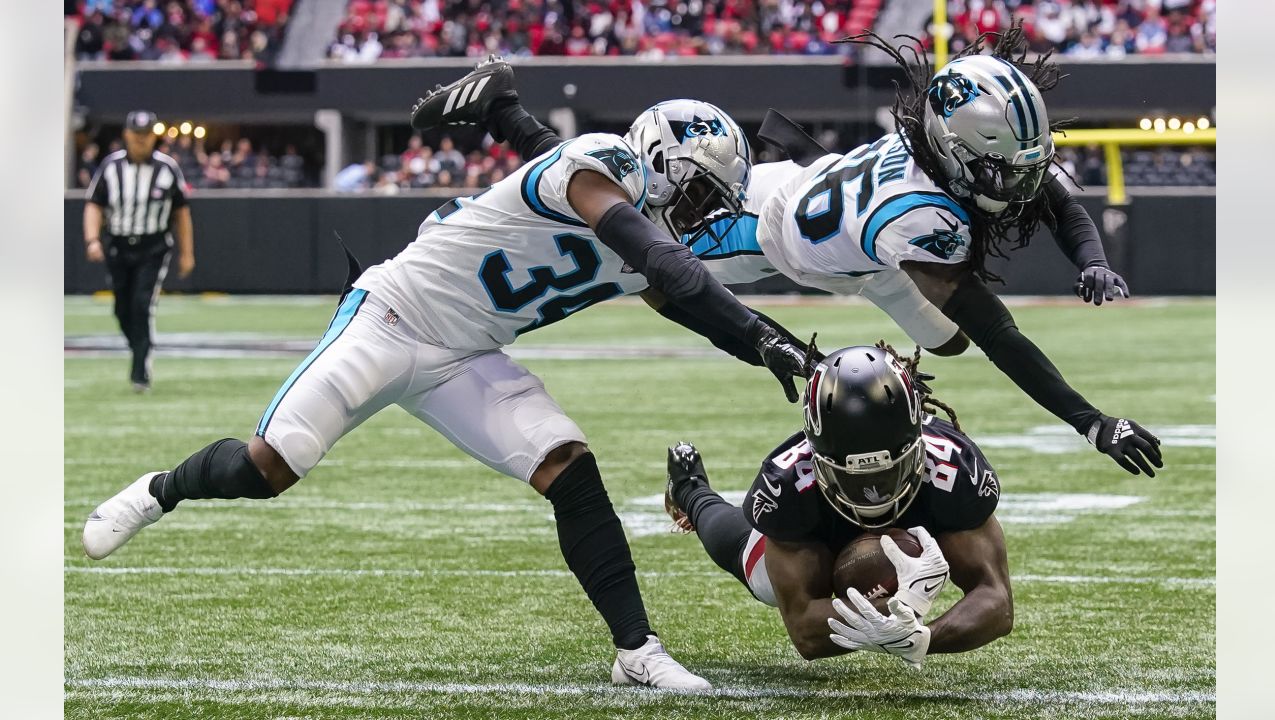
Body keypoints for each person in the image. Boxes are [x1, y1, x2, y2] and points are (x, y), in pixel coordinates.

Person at [82, 88, 810, 690]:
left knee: (566, 464)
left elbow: (685, 300)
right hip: (390, 319)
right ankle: (160, 489)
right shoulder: (601, 167)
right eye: (704, 190)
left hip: (466, 355)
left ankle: (636, 651)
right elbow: (665, 264)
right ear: (660, 161)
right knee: (270, 465)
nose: (706, 210)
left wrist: (787, 352)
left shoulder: (644, 223)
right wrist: (759, 336)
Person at [450, 29, 1163, 478]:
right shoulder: (917, 218)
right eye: (1003, 166)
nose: (1018, 181)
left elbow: (1053, 197)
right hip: (766, 228)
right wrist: (1090, 420)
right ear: (953, 149)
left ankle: (510, 116)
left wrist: (1090, 257)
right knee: (629, 254)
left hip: (853, 247)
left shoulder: (938, 169)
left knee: (947, 346)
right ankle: (508, 114)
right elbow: (1002, 330)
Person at [664, 344, 1010, 666]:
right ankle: (690, 490)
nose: (873, 492)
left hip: (919, 520)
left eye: (888, 471)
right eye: (854, 476)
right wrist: (899, 608)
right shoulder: (787, 484)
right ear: (817, 457)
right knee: (758, 575)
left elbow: (997, 603)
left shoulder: (953, 468)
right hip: (823, 534)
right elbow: (805, 632)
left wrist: (922, 639)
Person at [82, 110, 195, 392]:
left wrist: (187, 252)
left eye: (146, 135)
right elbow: (94, 204)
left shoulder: (167, 168)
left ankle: (140, 370)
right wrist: (92, 240)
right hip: (118, 246)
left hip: (153, 246)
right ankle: (140, 348)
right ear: (127, 134)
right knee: (122, 308)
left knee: (142, 304)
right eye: (137, 134)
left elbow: (181, 213)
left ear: (153, 136)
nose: (142, 140)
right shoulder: (111, 167)